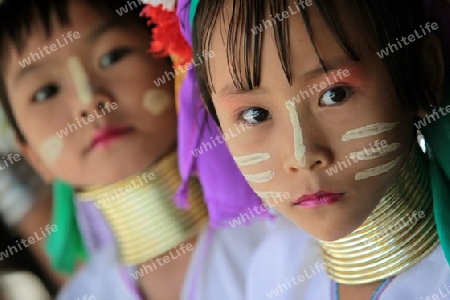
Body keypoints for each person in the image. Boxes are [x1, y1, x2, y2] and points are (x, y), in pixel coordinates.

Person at [0, 0, 269, 299]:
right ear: (32, 155)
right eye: (46, 91)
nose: (89, 100)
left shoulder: (291, 230)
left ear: (173, 63)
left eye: (112, 56)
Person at [187, 0, 450, 298]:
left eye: (335, 94)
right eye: (255, 115)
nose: (302, 155)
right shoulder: (274, 271)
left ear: (423, 74)